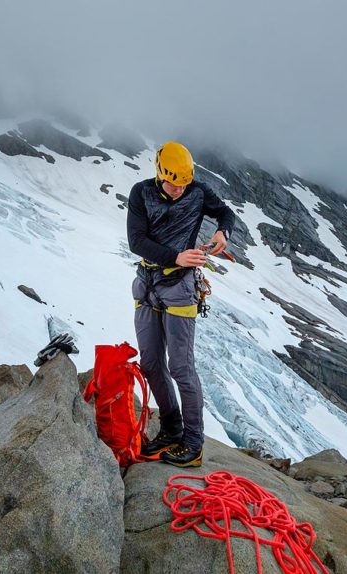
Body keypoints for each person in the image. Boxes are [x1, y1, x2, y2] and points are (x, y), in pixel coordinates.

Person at [126, 141, 236, 467]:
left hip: (180, 289)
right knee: (150, 363)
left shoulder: (197, 193)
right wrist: (176, 255)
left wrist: (222, 234)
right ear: (160, 173)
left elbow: (226, 213)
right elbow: (137, 242)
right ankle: (172, 429)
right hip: (147, 285)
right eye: (173, 182)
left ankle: (193, 443)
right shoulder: (141, 193)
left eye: (183, 183)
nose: (178, 189)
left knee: (181, 367)